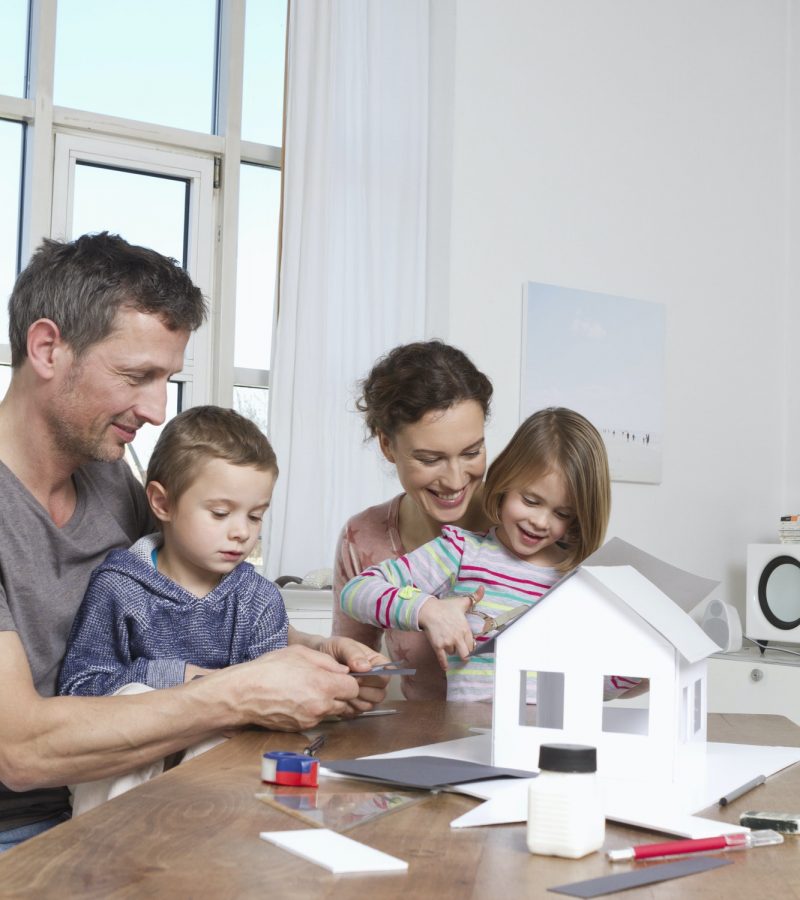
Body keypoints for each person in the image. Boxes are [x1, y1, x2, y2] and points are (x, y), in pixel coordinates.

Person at [0, 233, 387, 850]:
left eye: (167, 379)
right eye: (137, 375)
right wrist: (243, 689)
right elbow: (17, 750)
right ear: (47, 347)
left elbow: (178, 593)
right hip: (23, 827)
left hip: (137, 785)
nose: (157, 410)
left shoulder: (107, 475)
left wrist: (310, 653)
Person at [59, 405, 362, 813]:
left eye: (256, 516)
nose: (242, 532)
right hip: (120, 770)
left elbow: (275, 704)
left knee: (229, 739)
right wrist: (179, 677)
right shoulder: (118, 586)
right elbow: (79, 690)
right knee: (131, 695)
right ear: (162, 503)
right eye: (220, 513)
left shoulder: (259, 599)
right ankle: (102, 852)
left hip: (214, 790)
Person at [341, 407, 639, 701]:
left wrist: (643, 667)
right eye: (531, 500)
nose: (540, 521)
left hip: (552, 739)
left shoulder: (576, 580)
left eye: (562, 513)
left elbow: (597, 683)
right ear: (506, 483)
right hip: (468, 738)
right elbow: (357, 593)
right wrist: (428, 610)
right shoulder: (460, 551)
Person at [331, 340, 494, 700]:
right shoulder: (363, 539)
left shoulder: (523, 527)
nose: (454, 480)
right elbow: (350, 668)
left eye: (472, 452)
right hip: (418, 745)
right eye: (430, 459)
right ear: (388, 446)